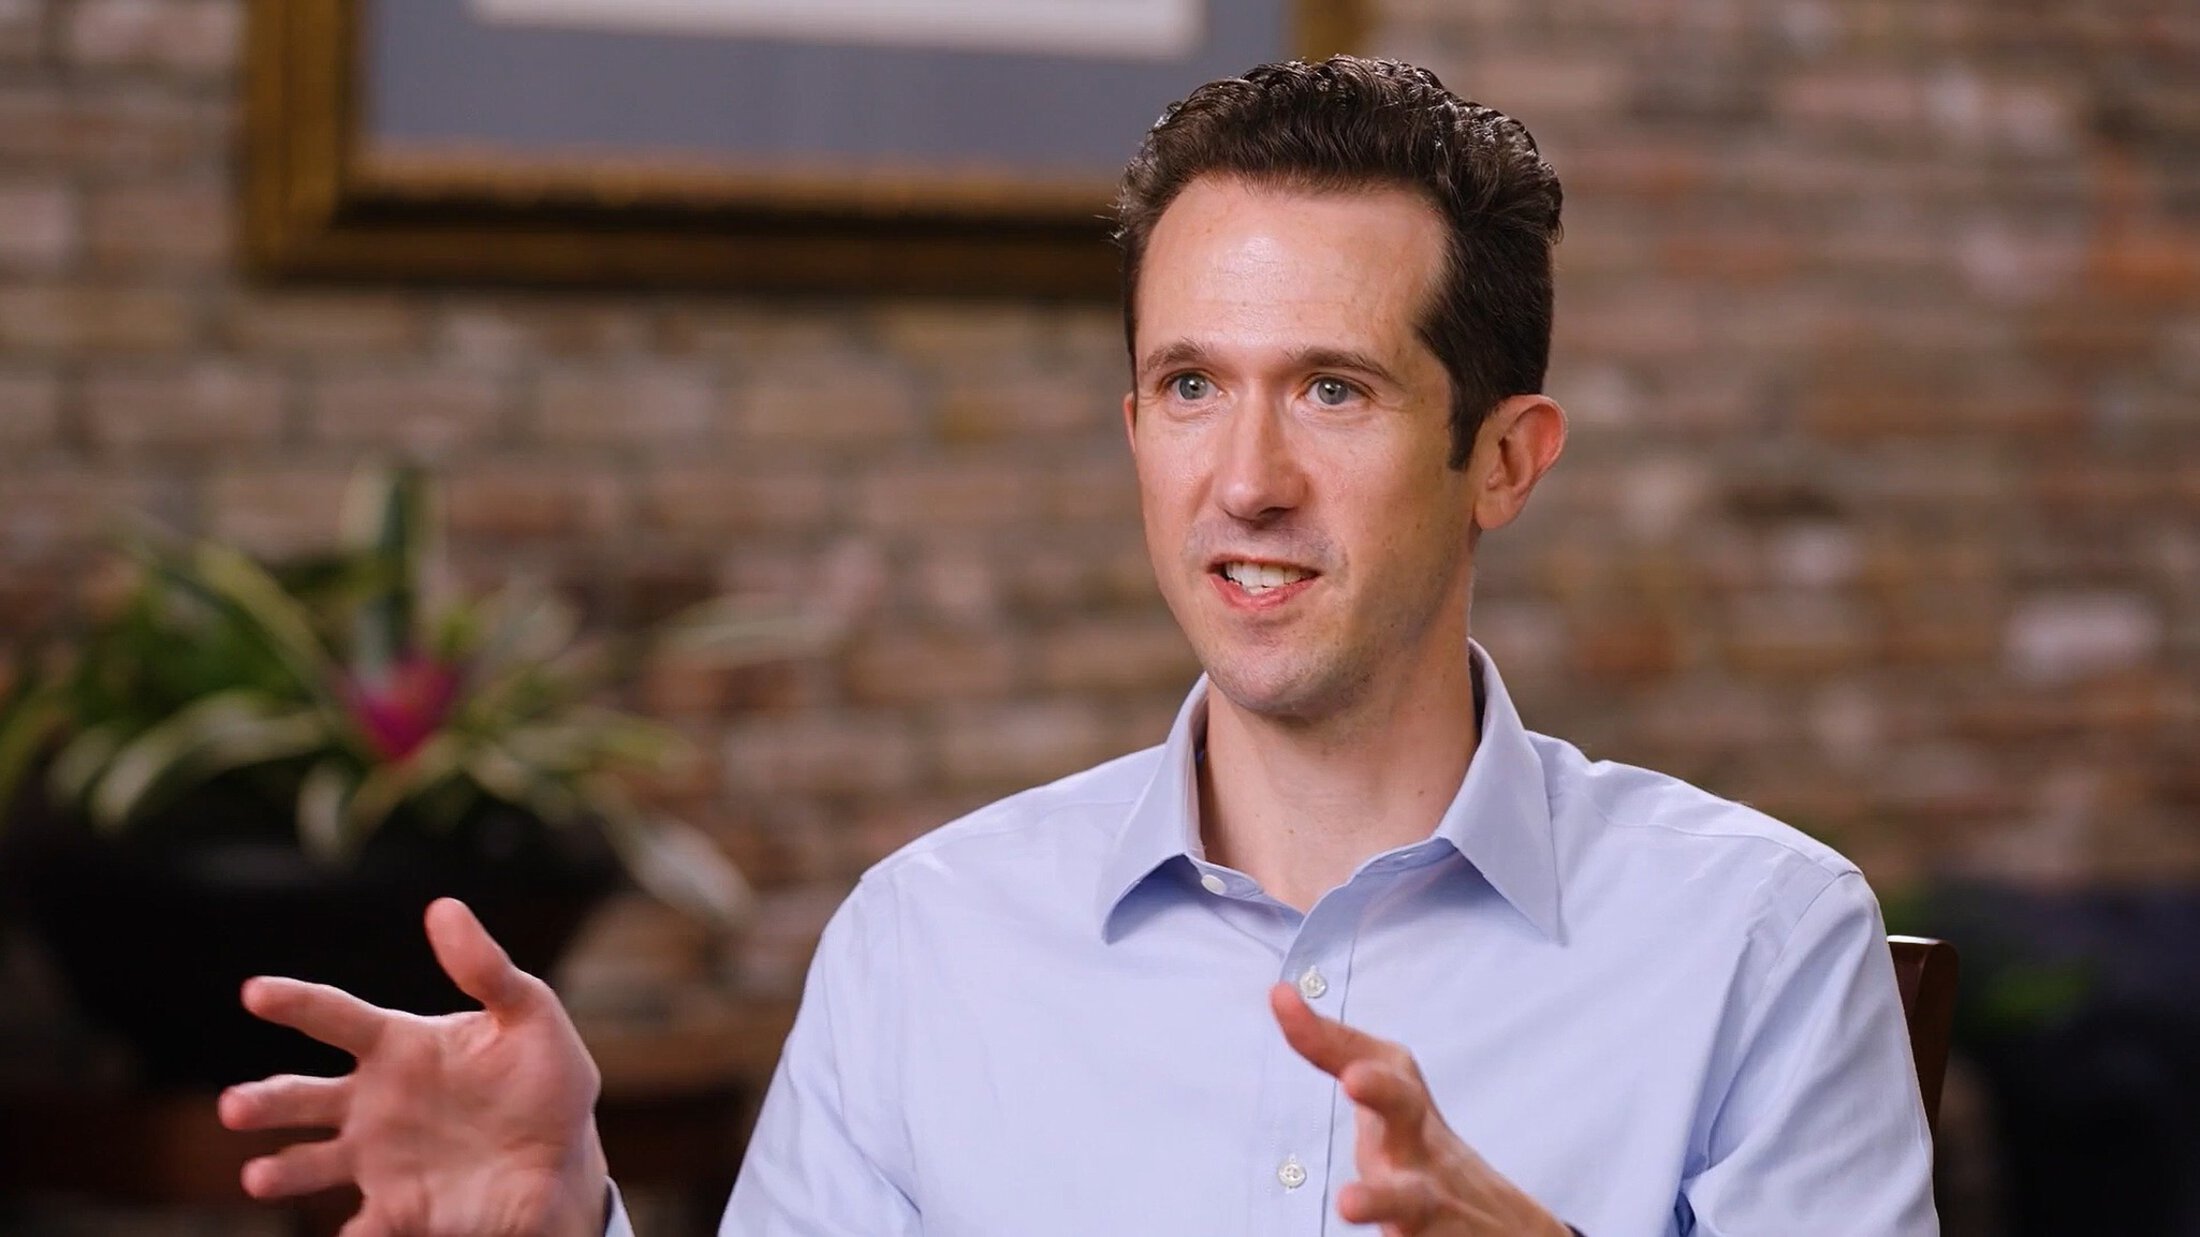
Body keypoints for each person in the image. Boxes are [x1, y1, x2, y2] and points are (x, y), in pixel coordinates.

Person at [218, 57, 1939, 1236]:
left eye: (1332, 390)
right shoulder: (927, 941)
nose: (1246, 482)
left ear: (1504, 458)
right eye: (1193, 387)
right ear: (1133, 423)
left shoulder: (1764, 945)